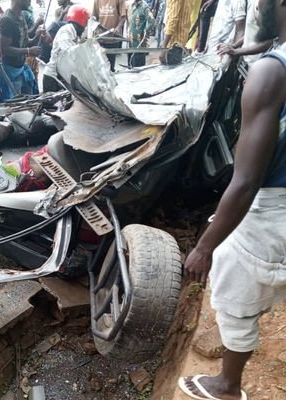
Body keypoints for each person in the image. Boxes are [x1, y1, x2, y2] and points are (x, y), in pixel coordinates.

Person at [178, 0, 286, 399]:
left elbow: (245, 180)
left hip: (274, 206)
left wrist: (205, 248)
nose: (256, 7)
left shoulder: (271, 71)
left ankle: (227, 385)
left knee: (233, 288)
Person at [0, 0, 43, 103]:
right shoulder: (7, 20)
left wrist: (37, 36)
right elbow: (6, 49)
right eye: (28, 0)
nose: (30, 3)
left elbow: (25, 42)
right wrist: (28, 51)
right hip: (10, 71)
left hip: (21, 69)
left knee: (29, 103)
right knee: (15, 108)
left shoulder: (21, 16)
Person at [43, 5, 90, 92]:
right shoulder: (66, 31)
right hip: (53, 78)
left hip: (61, 78)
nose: (84, 29)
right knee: (53, 105)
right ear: (79, 24)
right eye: (83, 26)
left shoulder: (75, 33)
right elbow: (70, 53)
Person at [217, 0, 272, 65]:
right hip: (246, 60)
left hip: (256, 64)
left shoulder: (262, 4)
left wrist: (236, 51)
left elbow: (269, 42)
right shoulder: (251, 2)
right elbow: (251, 32)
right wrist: (234, 45)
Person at [92, 0, 127, 71]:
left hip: (112, 38)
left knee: (110, 66)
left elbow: (123, 17)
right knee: (100, 66)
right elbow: (94, 17)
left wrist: (117, 28)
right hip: (101, 38)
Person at [127, 0, 155, 67]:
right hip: (130, 42)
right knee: (130, 66)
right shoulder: (132, 5)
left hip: (139, 44)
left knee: (138, 69)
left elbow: (152, 21)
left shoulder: (144, 7)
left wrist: (145, 31)